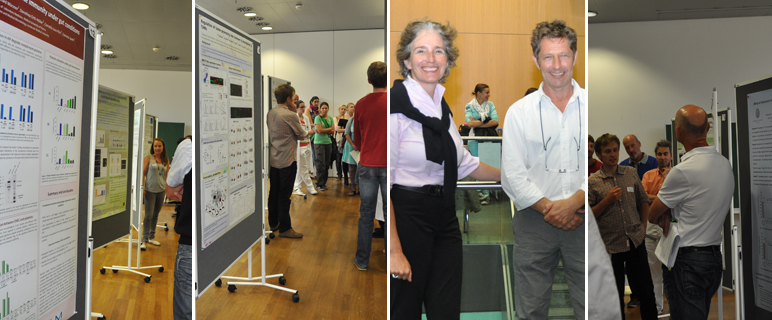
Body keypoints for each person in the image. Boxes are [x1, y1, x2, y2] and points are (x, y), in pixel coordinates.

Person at [389, 20, 501, 319]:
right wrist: (394, 250)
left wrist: (509, 175)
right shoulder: (394, 107)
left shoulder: (443, 108)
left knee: (447, 308)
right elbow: (382, 182)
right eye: (421, 50)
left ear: (448, 61)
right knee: (405, 308)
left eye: (439, 51)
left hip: (445, 215)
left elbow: (464, 163)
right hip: (407, 216)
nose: (431, 58)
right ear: (406, 60)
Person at [501, 20, 586, 320]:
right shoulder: (518, 113)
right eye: (548, 57)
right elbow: (512, 175)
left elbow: (601, 169)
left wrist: (575, 202)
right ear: (536, 60)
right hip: (533, 222)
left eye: (563, 55)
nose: (557, 65)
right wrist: (553, 209)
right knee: (530, 311)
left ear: (575, 57)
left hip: (585, 220)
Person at [648, 105, 733, 320]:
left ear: (678, 133)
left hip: (687, 261)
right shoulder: (725, 164)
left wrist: (667, 211)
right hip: (713, 258)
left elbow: (652, 215)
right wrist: (670, 210)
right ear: (708, 128)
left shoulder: (682, 171)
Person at [589, 133, 658, 320]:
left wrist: (643, 228)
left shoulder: (630, 173)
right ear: (599, 155)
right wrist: (607, 200)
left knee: (646, 291)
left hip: (635, 240)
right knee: (615, 296)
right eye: (607, 151)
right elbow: (589, 215)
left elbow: (643, 200)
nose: (613, 154)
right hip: (611, 246)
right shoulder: (593, 182)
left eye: (615, 150)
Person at [352, 61, 388, 272]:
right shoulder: (394, 103)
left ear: (368, 80)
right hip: (389, 165)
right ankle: (391, 259)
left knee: (366, 214)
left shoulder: (360, 104)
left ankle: (362, 260)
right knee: (391, 213)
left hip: (367, 163)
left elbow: (357, 139)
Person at [266, 86, 306, 238]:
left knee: (273, 192)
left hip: (274, 159)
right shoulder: (290, 115)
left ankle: (273, 223)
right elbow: (301, 135)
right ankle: (285, 228)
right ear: (288, 99)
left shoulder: (271, 113)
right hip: (288, 161)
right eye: (293, 98)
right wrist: (293, 111)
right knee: (284, 195)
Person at [640, 139, 672, 315]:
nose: (662, 157)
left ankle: (675, 308)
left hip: (672, 228)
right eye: (659, 154)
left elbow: (677, 197)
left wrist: (656, 197)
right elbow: (642, 197)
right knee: (654, 271)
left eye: (665, 154)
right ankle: (657, 308)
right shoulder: (648, 175)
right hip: (652, 226)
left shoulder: (677, 174)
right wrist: (664, 197)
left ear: (671, 156)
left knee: (673, 270)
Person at [166, 137, 192, 320]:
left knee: (186, 312)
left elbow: (170, 192)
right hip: (215, 239)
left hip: (190, 242)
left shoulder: (188, 147)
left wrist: (185, 192)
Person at [465, 83, 499, 205]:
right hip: (474, 139)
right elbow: (469, 124)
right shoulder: (469, 106)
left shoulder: (491, 105)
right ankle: (481, 193)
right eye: (487, 92)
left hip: (489, 138)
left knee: (488, 163)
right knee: (478, 165)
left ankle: (489, 191)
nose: (489, 95)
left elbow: (496, 121)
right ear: (479, 93)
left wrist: (478, 122)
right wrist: (486, 120)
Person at [141, 138, 169, 250]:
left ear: (163, 147)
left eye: (159, 146)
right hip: (150, 191)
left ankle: (151, 237)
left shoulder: (165, 159)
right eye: (155, 146)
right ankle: (144, 240)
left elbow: (167, 175)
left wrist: (167, 190)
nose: (157, 148)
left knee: (156, 215)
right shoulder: (148, 158)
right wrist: (142, 187)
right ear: (153, 147)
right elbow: (143, 173)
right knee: (148, 215)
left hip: (161, 191)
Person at [293, 100, 317, 196]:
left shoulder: (306, 118)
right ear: (297, 108)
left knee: (301, 167)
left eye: (304, 107)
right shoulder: (294, 118)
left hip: (307, 145)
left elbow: (308, 132)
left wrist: (307, 133)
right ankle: (310, 186)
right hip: (299, 147)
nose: (303, 109)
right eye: (301, 107)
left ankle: (296, 187)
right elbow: (300, 133)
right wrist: (307, 132)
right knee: (303, 168)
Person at [313, 102, 335, 191]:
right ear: (320, 109)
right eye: (323, 108)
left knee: (326, 164)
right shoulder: (317, 118)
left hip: (328, 143)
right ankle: (319, 183)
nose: (324, 110)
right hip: (319, 143)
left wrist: (324, 130)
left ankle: (324, 183)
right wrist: (329, 129)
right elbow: (319, 130)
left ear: (328, 109)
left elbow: (333, 131)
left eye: (326, 108)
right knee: (320, 164)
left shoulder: (330, 118)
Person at [341, 103, 358, 196]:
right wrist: (353, 144)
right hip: (351, 147)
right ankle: (353, 189)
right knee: (352, 170)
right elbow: (347, 134)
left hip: (360, 148)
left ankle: (360, 189)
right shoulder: (351, 120)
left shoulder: (362, 120)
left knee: (360, 170)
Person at [334, 105, 350, 183]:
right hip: (338, 140)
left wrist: (343, 129)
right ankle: (339, 174)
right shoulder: (336, 118)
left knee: (345, 158)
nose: (343, 110)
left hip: (346, 139)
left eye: (344, 109)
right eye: (342, 109)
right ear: (339, 109)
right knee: (338, 158)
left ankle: (347, 175)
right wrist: (346, 129)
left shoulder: (348, 118)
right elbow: (337, 129)